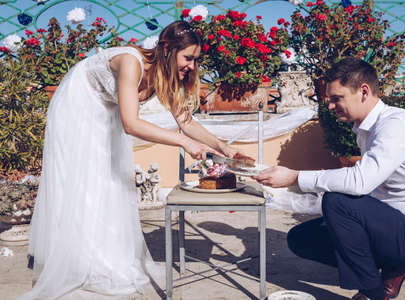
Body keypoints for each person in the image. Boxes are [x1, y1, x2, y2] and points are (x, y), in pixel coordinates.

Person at [21, 20, 249, 299]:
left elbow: (185, 122)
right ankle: (74, 258)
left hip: (104, 107)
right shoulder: (131, 62)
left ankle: (99, 254)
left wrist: (223, 147)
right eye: (187, 57)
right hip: (78, 103)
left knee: (111, 181)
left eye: (195, 59)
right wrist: (184, 142)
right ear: (167, 49)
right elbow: (131, 123)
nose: (191, 65)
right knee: (86, 178)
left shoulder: (166, 77)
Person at [254, 58, 405, 300]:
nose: (331, 106)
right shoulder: (367, 129)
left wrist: (294, 177)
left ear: (363, 91)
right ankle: (393, 267)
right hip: (397, 225)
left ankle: (374, 292)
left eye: (337, 98)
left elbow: (360, 182)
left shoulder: (396, 123)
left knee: (337, 202)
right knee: (302, 239)